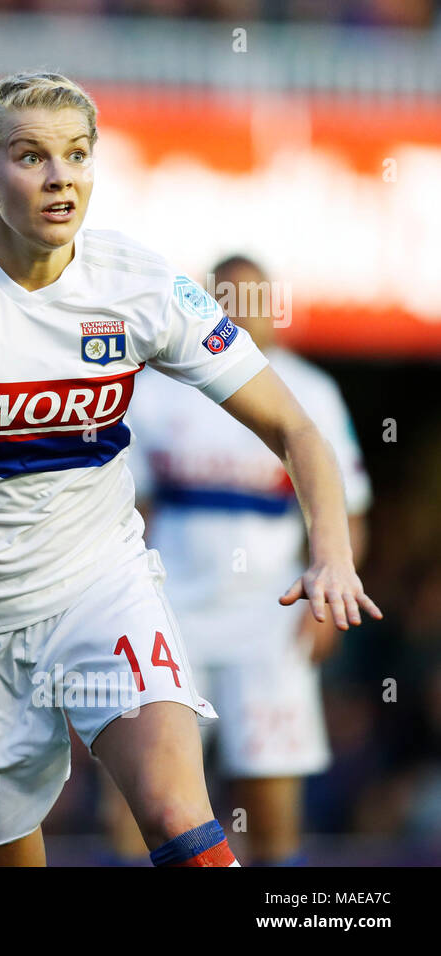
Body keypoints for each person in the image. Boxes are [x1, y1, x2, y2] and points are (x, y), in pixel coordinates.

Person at [0, 72, 381, 867]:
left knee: (178, 815)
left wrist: (331, 551)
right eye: (31, 156)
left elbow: (296, 427)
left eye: (76, 156)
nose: (59, 177)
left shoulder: (141, 287)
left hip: (99, 586)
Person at [101, 254, 371, 865]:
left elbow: (347, 507)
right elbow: (123, 512)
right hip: (167, 618)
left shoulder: (311, 392)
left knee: (270, 799)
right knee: (142, 793)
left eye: (256, 300)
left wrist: (330, 593)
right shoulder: (152, 391)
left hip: (269, 620)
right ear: (205, 306)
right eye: (229, 298)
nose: (244, 313)